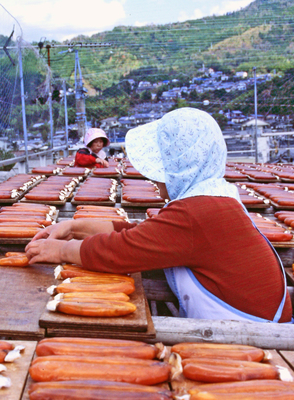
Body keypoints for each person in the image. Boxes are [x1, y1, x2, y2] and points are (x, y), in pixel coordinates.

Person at [26, 107, 293, 323]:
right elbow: (142, 235)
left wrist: (62, 251)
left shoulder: (198, 212)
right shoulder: (214, 200)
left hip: (259, 340)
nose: (156, 180)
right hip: (252, 326)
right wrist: (74, 228)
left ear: (180, 167)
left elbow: (122, 250)